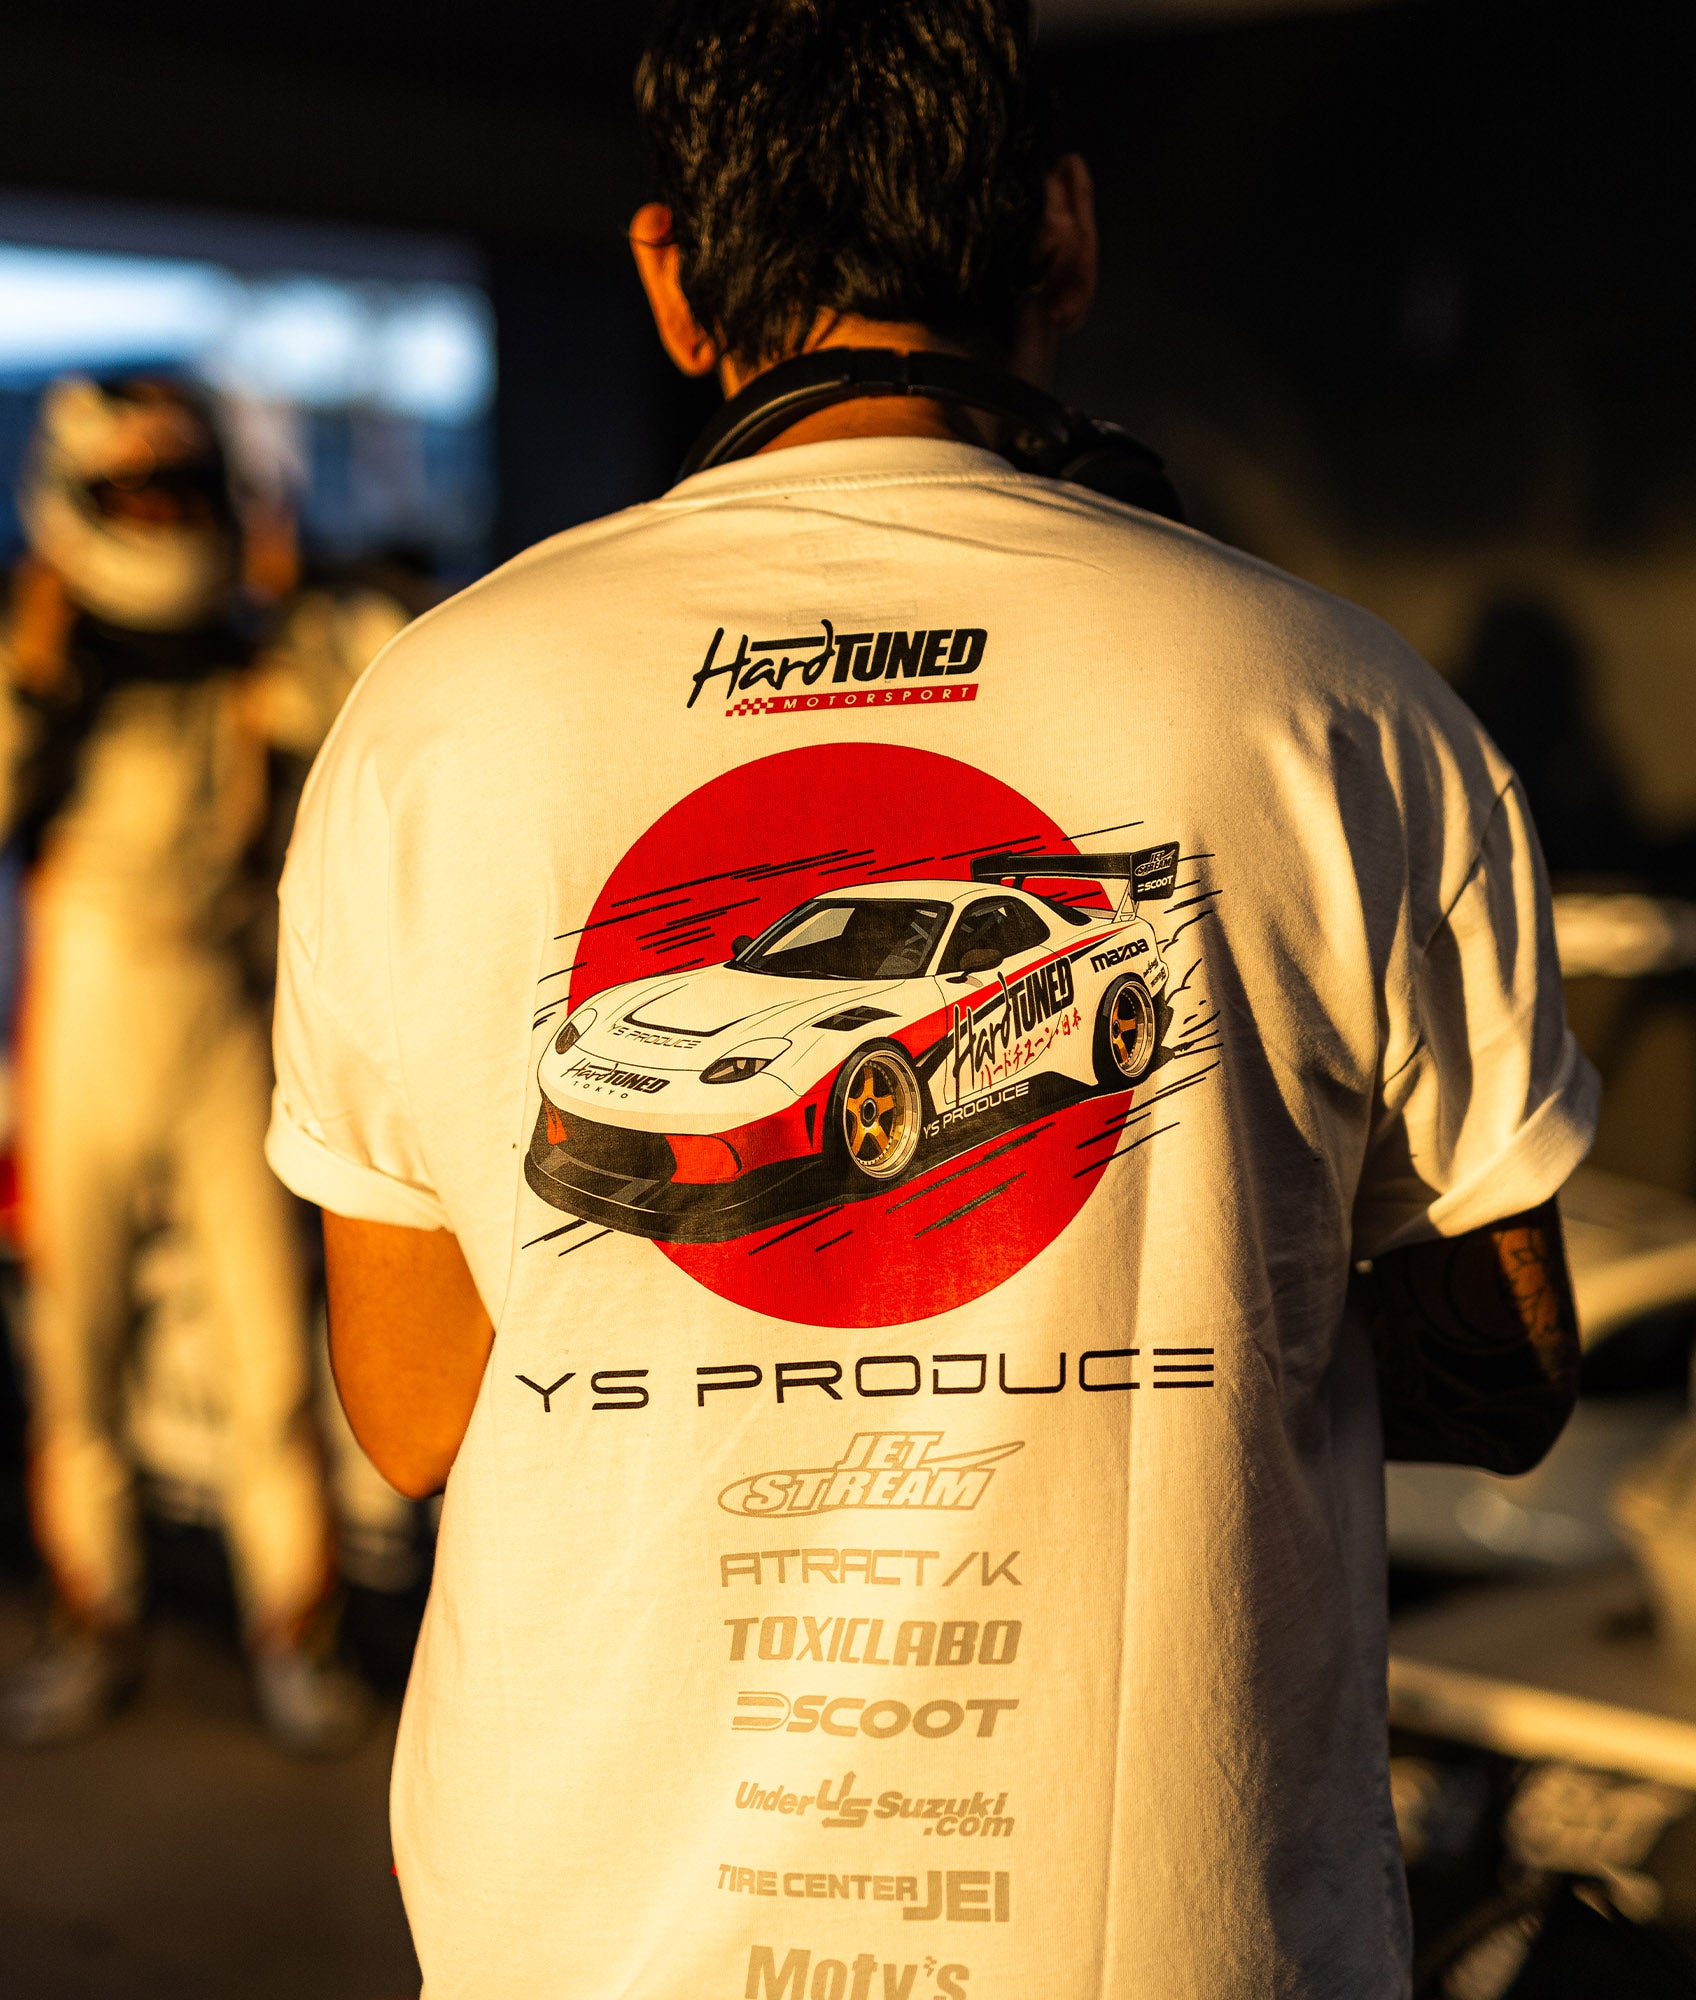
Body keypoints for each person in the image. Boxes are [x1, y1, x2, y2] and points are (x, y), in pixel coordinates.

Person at [266, 3, 1596, 1991]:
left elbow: (409, 1410)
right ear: (1061, 232)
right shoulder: (1333, 703)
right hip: (1169, 1933)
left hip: (596, 1932)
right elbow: (1503, 1370)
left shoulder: (430, 716)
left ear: (667, 278)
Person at [0, 375, 371, 1755]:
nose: (161, 517)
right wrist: (39, 674)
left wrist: (288, 611)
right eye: (135, 491)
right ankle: (93, 1621)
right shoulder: (33, 642)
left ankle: (296, 1637)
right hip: (81, 1018)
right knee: (74, 1356)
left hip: (221, 1011)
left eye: (182, 489)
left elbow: (347, 768)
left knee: (273, 1361)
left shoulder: (266, 645)